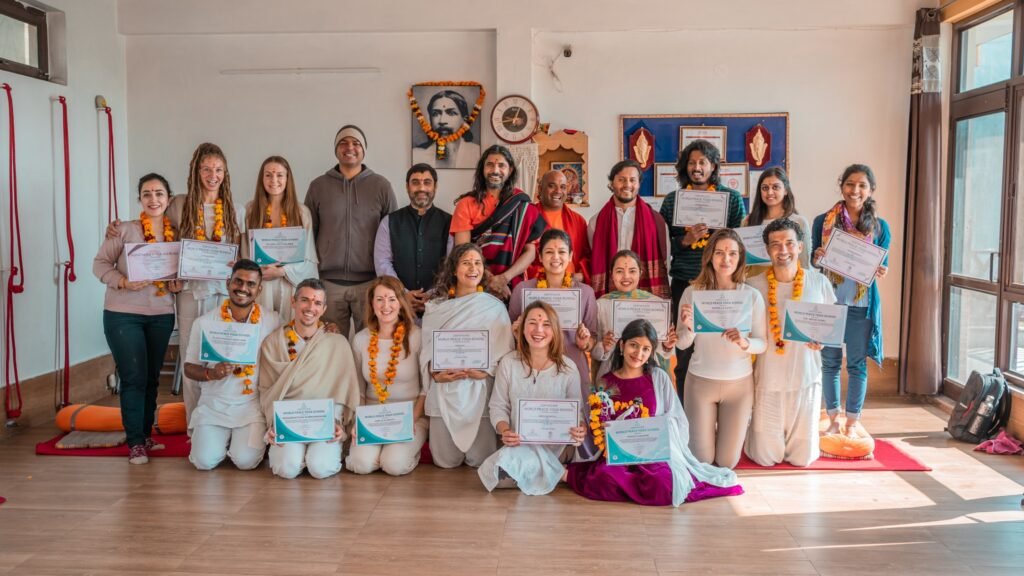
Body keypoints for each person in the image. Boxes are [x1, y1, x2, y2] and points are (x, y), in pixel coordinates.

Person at [566, 319, 742, 506]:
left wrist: (653, 431)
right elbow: (598, 423)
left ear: (651, 353)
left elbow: (676, 418)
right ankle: (635, 488)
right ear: (622, 345)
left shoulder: (658, 378)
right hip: (618, 455)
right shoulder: (605, 381)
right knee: (602, 477)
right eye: (633, 345)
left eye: (645, 349)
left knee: (664, 484)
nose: (638, 353)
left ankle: (628, 488)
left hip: (651, 455)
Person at [93, 173, 183, 464]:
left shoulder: (178, 234)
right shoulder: (123, 230)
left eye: (159, 193)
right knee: (133, 377)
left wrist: (176, 284)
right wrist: (122, 281)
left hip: (161, 315)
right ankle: (134, 443)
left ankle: (145, 435)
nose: (153, 199)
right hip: (122, 314)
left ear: (168, 199)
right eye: (147, 194)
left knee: (151, 378)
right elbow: (99, 264)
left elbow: (179, 273)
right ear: (140, 199)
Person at [661, 140, 747, 402]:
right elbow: (663, 244)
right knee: (684, 348)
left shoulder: (730, 199)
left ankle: (721, 405)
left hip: (720, 284)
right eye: (691, 162)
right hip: (684, 282)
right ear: (684, 167)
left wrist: (717, 240)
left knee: (720, 343)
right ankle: (686, 412)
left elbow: (738, 240)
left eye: (702, 162)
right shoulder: (673, 200)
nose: (697, 167)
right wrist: (685, 241)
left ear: (713, 166)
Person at [746, 218, 836, 467]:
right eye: (775, 244)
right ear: (767, 250)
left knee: (802, 458)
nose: (782, 250)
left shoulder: (819, 283)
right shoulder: (753, 287)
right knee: (765, 457)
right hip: (768, 377)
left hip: (805, 375)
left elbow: (830, 328)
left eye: (788, 243)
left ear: (799, 247)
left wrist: (822, 341)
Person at [676, 229, 767, 468]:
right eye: (719, 253)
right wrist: (691, 327)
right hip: (700, 383)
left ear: (739, 259)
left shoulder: (751, 296)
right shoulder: (692, 292)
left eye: (732, 254)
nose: (725, 259)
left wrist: (744, 343)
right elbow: (682, 343)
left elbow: (762, 343)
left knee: (727, 462)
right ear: (709, 256)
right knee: (702, 460)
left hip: (738, 386)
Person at [812, 163, 890, 438]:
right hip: (831, 302)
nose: (855, 190)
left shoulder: (880, 227)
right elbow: (813, 260)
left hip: (861, 306)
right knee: (830, 362)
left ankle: (852, 422)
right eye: (850, 184)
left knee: (856, 365)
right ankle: (833, 418)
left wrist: (882, 269)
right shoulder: (823, 221)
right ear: (841, 185)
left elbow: (883, 263)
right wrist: (818, 257)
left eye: (862, 186)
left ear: (870, 191)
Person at [419, 243, 514, 468]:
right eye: (466, 263)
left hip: (479, 388)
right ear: (454, 269)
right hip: (445, 388)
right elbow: (426, 352)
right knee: (445, 461)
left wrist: (485, 371)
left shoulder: (495, 307)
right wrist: (435, 373)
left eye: (477, 263)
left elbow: (505, 352)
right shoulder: (435, 308)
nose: (473, 268)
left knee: (480, 461)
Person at [478, 301, 586, 494]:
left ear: (554, 331)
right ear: (522, 328)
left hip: (555, 448)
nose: (538, 330)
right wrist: (505, 430)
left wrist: (579, 430)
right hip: (519, 444)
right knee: (497, 476)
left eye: (546, 324)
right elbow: (498, 406)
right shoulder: (508, 363)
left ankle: (548, 469)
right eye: (532, 323)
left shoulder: (569, 368)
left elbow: (577, 413)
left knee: (503, 474)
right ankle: (556, 474)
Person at [258, 278, 360, 479]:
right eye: (305, 300)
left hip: (325, 422)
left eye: (317, 303)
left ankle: (311, 456)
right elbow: (267, 390)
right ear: (293, 302)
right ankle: (298, 456)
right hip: (289, 422)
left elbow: (346, 391)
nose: (310, 307)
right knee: (286, 469)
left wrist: (339, 423)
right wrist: (273, 423)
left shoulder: (337, 343)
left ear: (323, 309)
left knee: (320, 468)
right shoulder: (273, 342)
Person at [184, 260, 280, 471]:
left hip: (251, 406)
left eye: (250, 284)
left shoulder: (272, 321)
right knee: (204, 462)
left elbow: (295, 337)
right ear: (228, 283)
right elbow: (189, 368)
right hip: (214, 405)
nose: (243, 288)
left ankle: (236, 443)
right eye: (238, 281)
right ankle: (217, 441)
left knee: (245, 461)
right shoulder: (205, 322)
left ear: (259, 289)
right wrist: (211, 373)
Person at [305, 124, 398, 336]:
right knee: (331, 345)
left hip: (369, 284)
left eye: (356, 143)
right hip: (328, 283)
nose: (350, 147)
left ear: (364, 149)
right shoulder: (318, 186)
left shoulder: (381, 186)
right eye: (343, 143)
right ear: (336, 149)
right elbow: (308, 234)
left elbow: (392, 236)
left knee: (369, 345)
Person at [347, 277, 428, 476]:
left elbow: (427, 389)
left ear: (400, 302)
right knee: (361, 464)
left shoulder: (416, 336)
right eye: (380, 299)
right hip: (373, 417)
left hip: (410, 416)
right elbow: (358, 389)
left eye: (392, 299)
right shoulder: (360, 340)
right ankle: (376, 455)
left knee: (394, 465)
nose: (386, 306)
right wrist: (360, 422)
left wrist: (412, 420)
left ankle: (396, 455)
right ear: (372, 303)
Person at [450, 145, 547, 300]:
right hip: (475, 282)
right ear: (482, 169)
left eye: (501, 165)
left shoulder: (522, 205)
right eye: (490, 165)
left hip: (512, 282)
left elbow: (530, 252)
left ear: (511, 170)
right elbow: (463, 252)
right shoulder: (466, 204)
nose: (495, 170)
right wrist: (490, 280)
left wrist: (503, 279)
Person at [509, 229, 597, 402]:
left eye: (562, 252)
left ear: (571, 255)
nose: (556, 257)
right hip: (532, 368)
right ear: (540, 257)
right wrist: (516, 332)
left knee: (574, 423)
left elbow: (593, 340)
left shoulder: (585, 292)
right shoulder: (523, 290)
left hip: (572, 366)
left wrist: (585, 342)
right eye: (549, 252)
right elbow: (511, 337)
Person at [243, 156, 319, 323]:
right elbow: (245, 252)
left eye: (279, 175)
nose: (274, 180)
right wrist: (257, 270)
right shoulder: (250, 210)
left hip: (289, 282)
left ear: (287, 178)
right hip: (261, 282)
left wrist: (282, 271)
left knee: (288, 331)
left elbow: (308, 257)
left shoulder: (301, 212)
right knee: (261, 328)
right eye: (268, 175)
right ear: (261, 178)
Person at [374, 164, 453, 315]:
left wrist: (432, 294)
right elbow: (382, 262)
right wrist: (402, 293)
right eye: (415, 182)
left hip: (439, 305)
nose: (421, 188)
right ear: (407, 186)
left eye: (427, 182)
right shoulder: (389, 222)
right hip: (397, 306)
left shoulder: (450, 223)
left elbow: (451, 264)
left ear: (435, 187)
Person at [588, 159, 670, 300]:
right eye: (621, 179)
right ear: (612, 183)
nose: (627, 185)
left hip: (646, 294)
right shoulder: (596, 222)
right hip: (610, 294)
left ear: (638, 184)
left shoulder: (657, 221)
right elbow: (593, 257)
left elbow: (666, 259)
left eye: (633, 180)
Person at [592, 250, 678, 379]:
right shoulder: (601, 305)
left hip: (647, 373)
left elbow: (661, 352)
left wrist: (667, 345)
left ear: (640, 273)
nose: (626, 276)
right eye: (619, 271)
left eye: (632, 271)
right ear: (612, 274)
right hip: (611, 373)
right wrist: (603, 346)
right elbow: (594, 351)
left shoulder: (655, 305)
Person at [526, 170, 592, 284]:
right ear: (540, 189)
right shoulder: (528, 217)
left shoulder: (578, 221)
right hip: (537, 285)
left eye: (563, 187)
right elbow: (520, 256)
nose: (558, 191)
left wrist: (579, 275)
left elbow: (586, 256)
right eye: (552, 186)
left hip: (571, 286)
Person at [743, 167, 811, 275]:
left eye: (775, 187)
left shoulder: (799, 222)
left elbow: (805, 264)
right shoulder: (747, 222)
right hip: (754, 284)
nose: (770, 192)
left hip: (790, 284)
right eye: (765, 188)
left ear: (785, 190)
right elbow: (741, 262)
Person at [412, 89, 481, 169]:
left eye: (451, 113)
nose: (442, 121)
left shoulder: (477, 154)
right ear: (430, 119)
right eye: (435, 114)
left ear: (465, 120)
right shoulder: (417, 154)